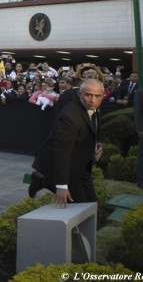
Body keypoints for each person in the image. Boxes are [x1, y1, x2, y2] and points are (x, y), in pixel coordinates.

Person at [29, 78, 105, 207]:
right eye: (88, 95)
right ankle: (42, 181)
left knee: (91, 204)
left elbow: (92, 129)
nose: (92, 100)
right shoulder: (69, 116)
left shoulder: (94, 108)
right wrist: (62, 186)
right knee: (77, 205)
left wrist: (97, 145)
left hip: (82, 163)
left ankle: (44, 181)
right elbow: (61, 152)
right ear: (79, 94)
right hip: (64, 163)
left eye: (97, 96)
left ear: (103, 96)